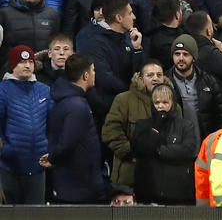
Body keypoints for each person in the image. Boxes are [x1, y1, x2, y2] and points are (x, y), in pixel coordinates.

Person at [45, 54, 106, 204]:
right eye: (93, 70)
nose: (94, 74)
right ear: (85, 76)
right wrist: (53, 157)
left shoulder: (70, 100)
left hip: (75, 184)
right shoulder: (77, 106)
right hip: (78, 186)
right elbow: (68, 142)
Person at [130, 83, 198, 205]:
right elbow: (142, 148)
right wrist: (157, 126)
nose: (160, 106)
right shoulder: (143, 125)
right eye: (157, 103)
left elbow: (188, 150)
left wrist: (158, 151)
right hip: (148, 193)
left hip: (179, 193)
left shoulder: (185, 125)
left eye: (165, 102)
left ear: (172, 103)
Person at [0, 45, 51, 204]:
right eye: (22, 62)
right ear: (13, 65)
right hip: (9, 167)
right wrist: (6, 151)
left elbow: (53, 123)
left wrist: (50, 148)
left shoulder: (44, 90)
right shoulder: (3, 90)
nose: (27, 65)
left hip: (38, 165)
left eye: (30, 61)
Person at [101, 60, 164, 187]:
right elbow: (110, 131)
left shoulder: (173, 104)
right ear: (141, 79)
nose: (155, 78)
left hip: (162, 175)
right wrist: (131, 153)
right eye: (150, 75)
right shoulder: (124, 100)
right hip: (129, 174)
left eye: (159, 75)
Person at [167, 34, 222, 139]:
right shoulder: (165, 82)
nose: (181, 58)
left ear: (194, 57)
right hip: (177, 146)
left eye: (185, 54)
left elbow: (221, 116)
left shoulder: (208, 81)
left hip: (205, 144)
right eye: (177, 54)